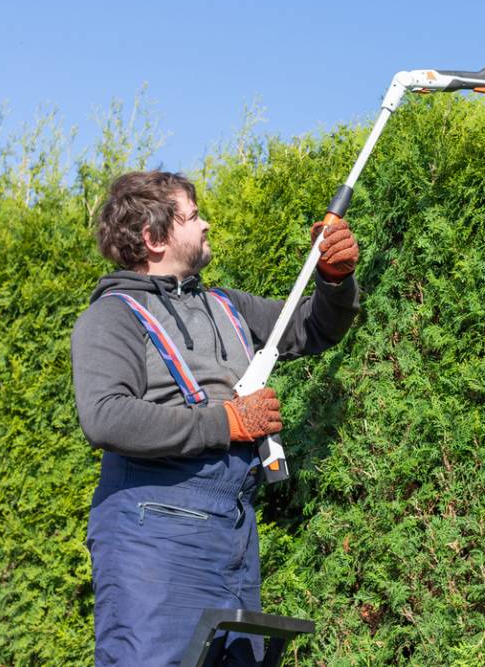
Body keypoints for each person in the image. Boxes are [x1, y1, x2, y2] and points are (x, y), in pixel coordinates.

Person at [71, 170, 359, 665]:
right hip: (151, 536)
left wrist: (335, 280)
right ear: (153, 237)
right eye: (194, 215)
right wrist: (226, 423)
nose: (206, 225)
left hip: (232, 527)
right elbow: (105, 417)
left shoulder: (226, 305)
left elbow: (314, 329)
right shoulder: (111, 316)